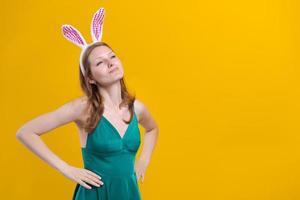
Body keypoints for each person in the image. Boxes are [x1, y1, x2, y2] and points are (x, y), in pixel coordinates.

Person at [16, 8, 159, 200]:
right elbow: (25, 132)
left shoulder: (137, 107)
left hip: (128, 194)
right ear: (90, 77)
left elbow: (152, 129)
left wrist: (144, 160)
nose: (110, 63)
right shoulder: (82, 108)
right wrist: (66, 169)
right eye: (100, 62)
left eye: (113, 56)